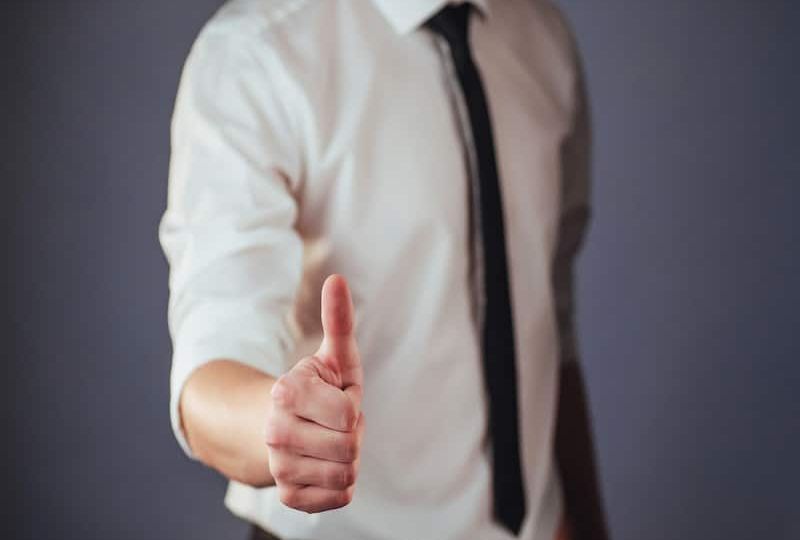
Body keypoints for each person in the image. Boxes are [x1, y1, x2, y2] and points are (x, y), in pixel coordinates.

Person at [159, 0, 609, 539]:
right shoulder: (255, 56)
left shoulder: (542, 38)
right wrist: (281, 428)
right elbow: (209, 370)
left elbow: (548, 330)